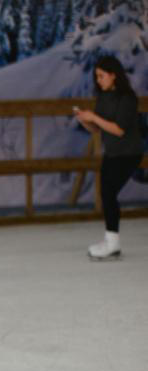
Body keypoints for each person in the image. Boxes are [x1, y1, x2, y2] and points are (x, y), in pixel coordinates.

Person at [74, 55, 144, 260]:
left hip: (129, 153)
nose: (98, 80)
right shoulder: (103, 96)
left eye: (101, 76)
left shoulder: (127, 98)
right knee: (106, 193)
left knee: (108, 192)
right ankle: (111, 240)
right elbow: (98, 128)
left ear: (114, 75)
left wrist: (94, 117)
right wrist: (85, 120)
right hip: (112, 152)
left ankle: (112, 242)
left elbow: (119, 129)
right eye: (96, 76)